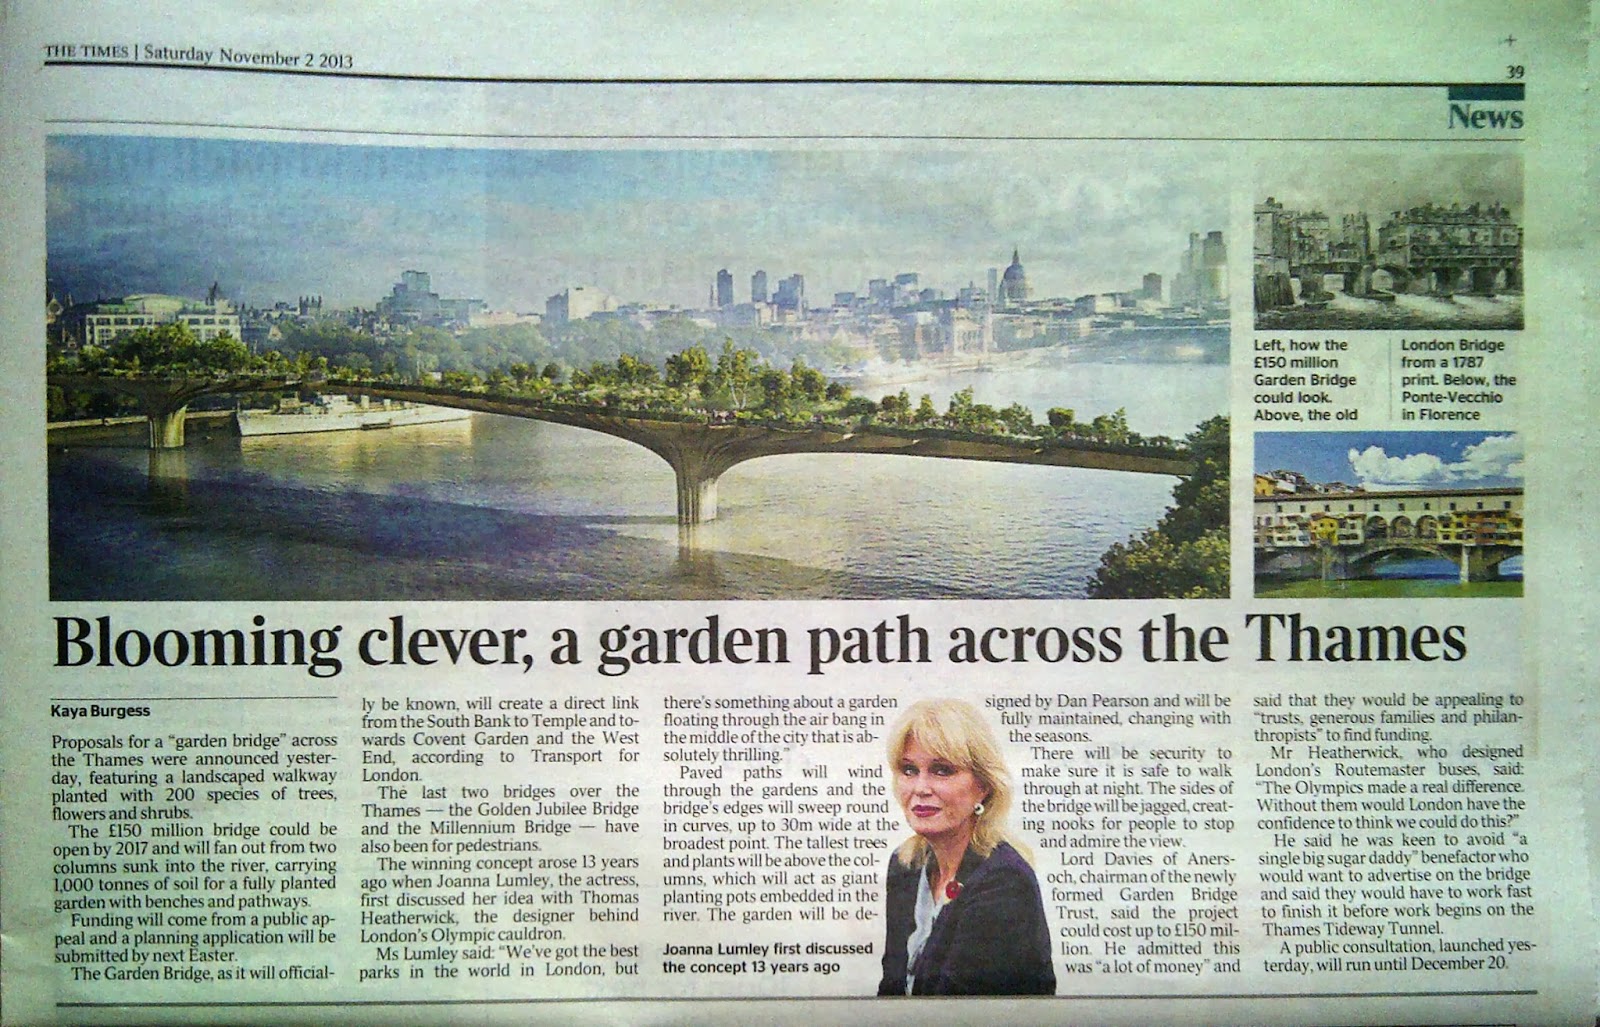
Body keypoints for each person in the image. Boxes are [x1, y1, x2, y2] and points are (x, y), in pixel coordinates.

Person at [877, 698, 1056, 996]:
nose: (920, 788)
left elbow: (955, 1012)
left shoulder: (1004, 882)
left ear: (983, 786)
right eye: (909, 770)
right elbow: (891, 989)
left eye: (942, 770)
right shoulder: (907, 866)